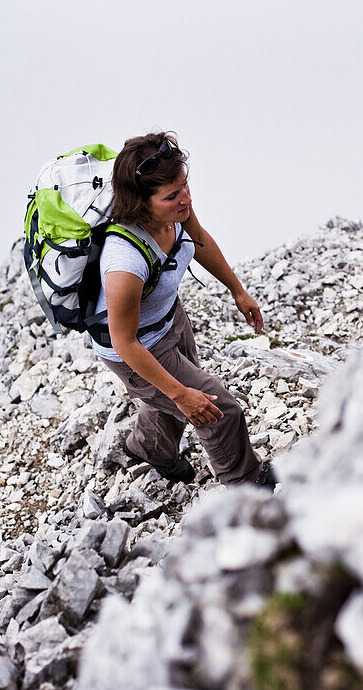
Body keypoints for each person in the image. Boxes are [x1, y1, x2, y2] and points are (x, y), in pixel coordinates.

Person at [89, 131, 276, 489]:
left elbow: (199, 239)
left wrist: (237, 290)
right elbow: (124, 343)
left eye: (185, 185)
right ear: (141, 203)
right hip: (137, 347)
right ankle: (246, 484)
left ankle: (150, 447)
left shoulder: (176, 211)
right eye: (172, 196)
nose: (185, 198)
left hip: (170, 319)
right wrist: (181, 394)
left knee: (180, 394)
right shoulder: (124, 261)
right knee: (216, 409)